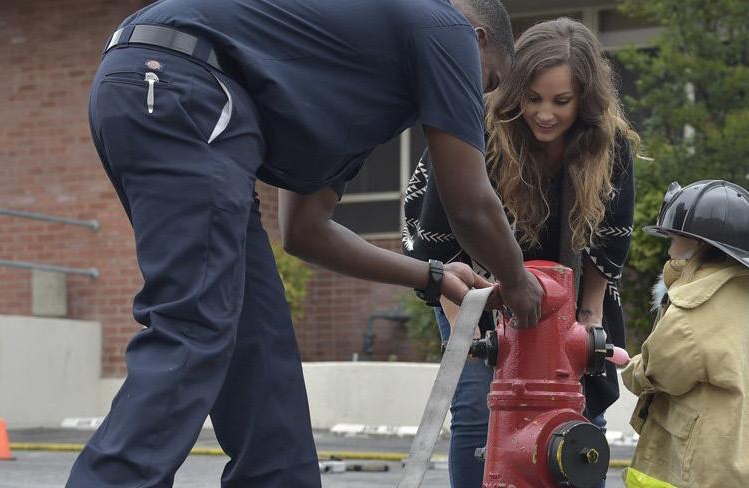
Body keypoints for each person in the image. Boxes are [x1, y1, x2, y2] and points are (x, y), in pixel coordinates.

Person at [66, 1, 545, 487]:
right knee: (194, 324)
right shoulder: (445, 25)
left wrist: (433, 274)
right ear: (477, 39)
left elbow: (305, 231)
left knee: (261, 352)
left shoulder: (354, 84)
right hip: (180, 82)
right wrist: (517, 282)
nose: (475, 98)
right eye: (487, 81)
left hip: (176, 97)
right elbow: (469, 203)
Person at [403, 17, 639, 488]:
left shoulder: (608, 144)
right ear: (515, 92)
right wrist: (467, 334)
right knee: (477, 404)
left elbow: (608, 243)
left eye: (561, 101)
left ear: (585, 100)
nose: (545, 114)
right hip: (473, 281)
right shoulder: (476, 130)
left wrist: (588, 319)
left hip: (572, 287)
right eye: (533, 99)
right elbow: (438, 241)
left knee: (581, 400)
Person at [621, 180, 749, 488]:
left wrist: (629, 368)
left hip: (700, 467)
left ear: (696, 243)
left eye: (673, 239)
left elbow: (660, 370)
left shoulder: (695, 301)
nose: (669, 250)